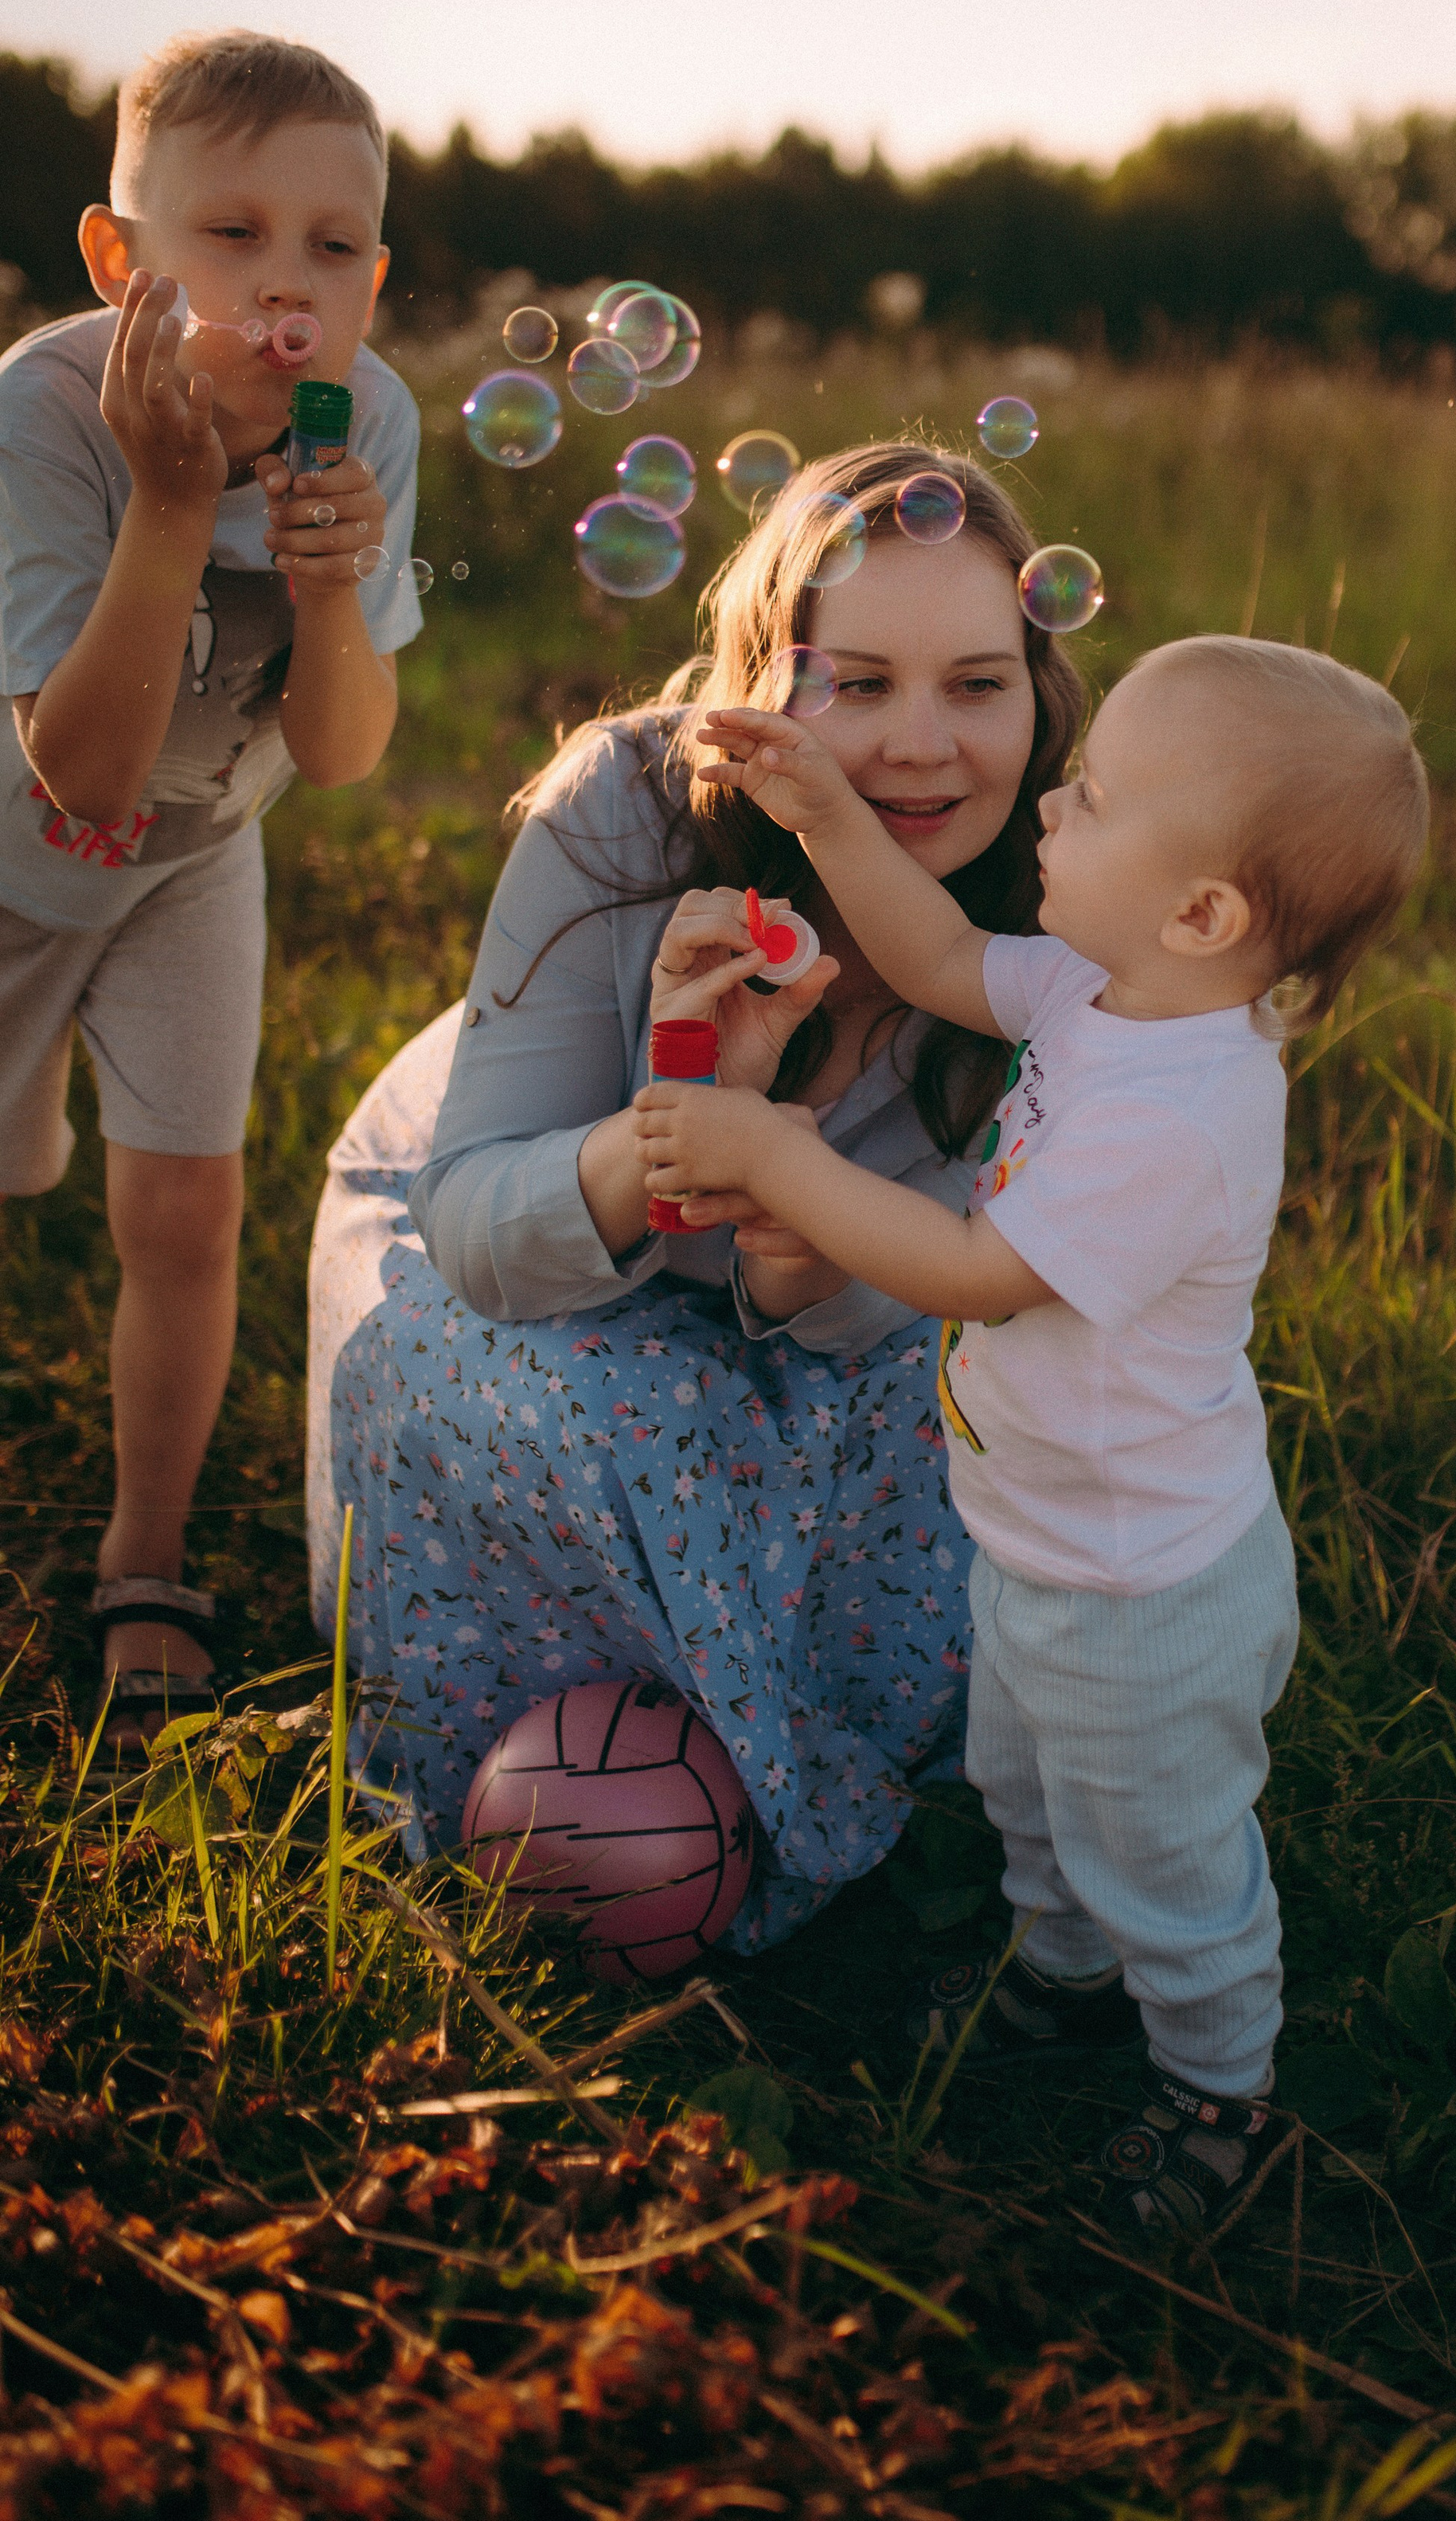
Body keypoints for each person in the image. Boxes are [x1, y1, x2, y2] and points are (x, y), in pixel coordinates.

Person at [644, 634, 1430, 2230]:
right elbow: (940, 953)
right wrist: (827, 817)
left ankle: (1219, 2084)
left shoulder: (1179, 1114)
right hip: (1044, 1541)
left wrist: (775, 1158)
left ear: (1201, 914)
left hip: (1145, 1593)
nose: (1053, 807)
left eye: (1096, 797)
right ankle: (1061, 1969)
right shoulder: (1101, 989)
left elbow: (972, 1270)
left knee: (1163, 1851)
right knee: (1029, 1785)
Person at [305, 449, 1084, 1950]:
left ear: (1039, 699)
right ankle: (602, 1737)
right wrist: (676, 1126)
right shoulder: (630, 805)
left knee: (1001, 1421)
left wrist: (794, 1236)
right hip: (495, 1237)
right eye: (858, 683)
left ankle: (767, 1754)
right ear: (767, 687)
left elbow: (911, 1293)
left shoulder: (1058, 893)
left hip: (840, 1317)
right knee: (609, 1412)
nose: (923, 747)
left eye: (979, 685)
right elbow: (472, 1225)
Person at [0, 31, 420, 1737]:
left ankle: (147, 1553)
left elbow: (340, 752)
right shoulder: (45, 414)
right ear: (122, 258)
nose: (285, 285)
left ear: (374, 280)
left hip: (194, 864)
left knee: (184, 1212)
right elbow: (82, 772)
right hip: (10, 861)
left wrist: (328, 598)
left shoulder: (365, 420)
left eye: (332, 246)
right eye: (232, 234)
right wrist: (175, 506)